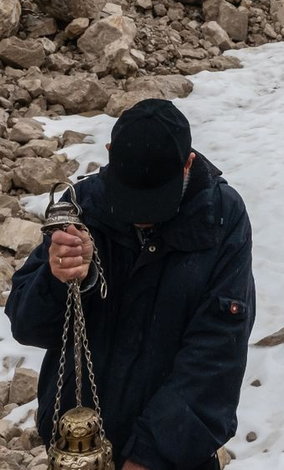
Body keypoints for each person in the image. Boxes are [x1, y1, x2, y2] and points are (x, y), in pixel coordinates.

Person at [6, 99, 255, 470]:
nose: (142, 218)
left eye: (155, 202)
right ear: (110, 153)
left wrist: (150, 455)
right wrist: (60, 280)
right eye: (131, 201)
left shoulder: (220, 218)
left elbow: (217, 352)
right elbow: (28, 327)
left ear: (187, 164)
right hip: (81, 448)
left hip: (174, 455)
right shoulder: (82, 206)